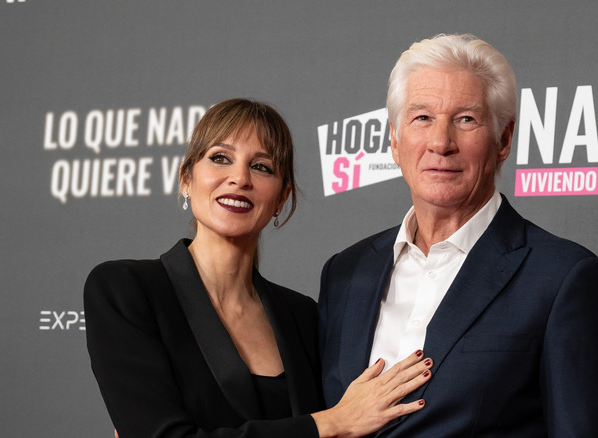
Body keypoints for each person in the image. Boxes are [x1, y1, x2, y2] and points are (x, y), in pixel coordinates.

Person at [318, 34, 598, 437]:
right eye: (422, 118)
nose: (440, 143)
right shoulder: (344, 273)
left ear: (503, 140)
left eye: (466, 119)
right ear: (394, 140)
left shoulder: (564, 278)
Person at [85, 98, 433, 438]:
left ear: (281, 197)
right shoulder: (126, 290)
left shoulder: (302, 316)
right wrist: (330, 423)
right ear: (186, 179)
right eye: (220, 158)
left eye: (262, 166)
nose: (239, 178)